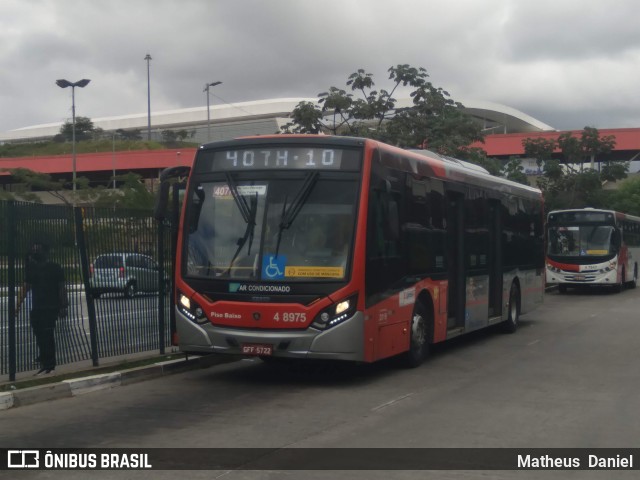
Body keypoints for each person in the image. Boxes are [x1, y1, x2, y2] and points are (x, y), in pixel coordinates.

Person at [17, 242, 68, 376]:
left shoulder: (55, 267)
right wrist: (17, 305)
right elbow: (26, 288)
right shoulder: (33, 269)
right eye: (33, 251)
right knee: (39, 333)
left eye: (37, 251)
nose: (35, 253)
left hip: (51, 307)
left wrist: (64, 305)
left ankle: (49, 363)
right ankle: (45, 358)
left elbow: (61, 287)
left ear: (45, 252)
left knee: (47, 334)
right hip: (37, 307)